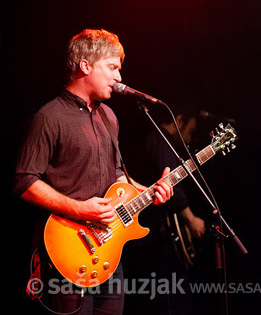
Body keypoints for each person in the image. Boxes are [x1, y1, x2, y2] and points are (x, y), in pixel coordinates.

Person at [14, 28, 172, 315]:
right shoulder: (49, 117)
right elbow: (24, 181)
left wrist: (150, 192)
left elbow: (117, 175)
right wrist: (79, 209)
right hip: (67, 252)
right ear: (85, 66)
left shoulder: (109, 117)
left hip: (108, 251)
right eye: (112, 67)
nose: (119, 78)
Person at [125, 108, 206, 315]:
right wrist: (191, 218)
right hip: (154, 232)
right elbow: (173, 188)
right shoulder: (162, 141)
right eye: (190, 130)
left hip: (141, 230)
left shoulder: (150, 140)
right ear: (179, 120)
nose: (188, 137)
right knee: (171, 296)